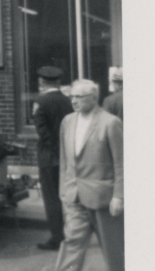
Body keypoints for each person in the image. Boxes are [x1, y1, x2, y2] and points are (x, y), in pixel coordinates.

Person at [56, 79, 124, 271]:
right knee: (72, 242)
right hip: (74, 194)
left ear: (93, 98)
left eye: (79, 97)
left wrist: (119, 196)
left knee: (113, 248)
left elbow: (121, 163)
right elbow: (65, 159)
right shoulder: (67, 121)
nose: (73, 101)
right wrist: (64, 189)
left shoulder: (110, 123)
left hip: (103, 197)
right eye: (72, 96)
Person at [32, 66, 73, 251]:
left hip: (49, 159)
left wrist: (53, 153)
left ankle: (57, 238)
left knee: (52, 199)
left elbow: (44, 133)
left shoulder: (40, 101)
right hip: (68, 157)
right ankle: (71, 233)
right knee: (67, 197)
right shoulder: (68, 101)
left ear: (41, 82)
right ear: (58, 82)